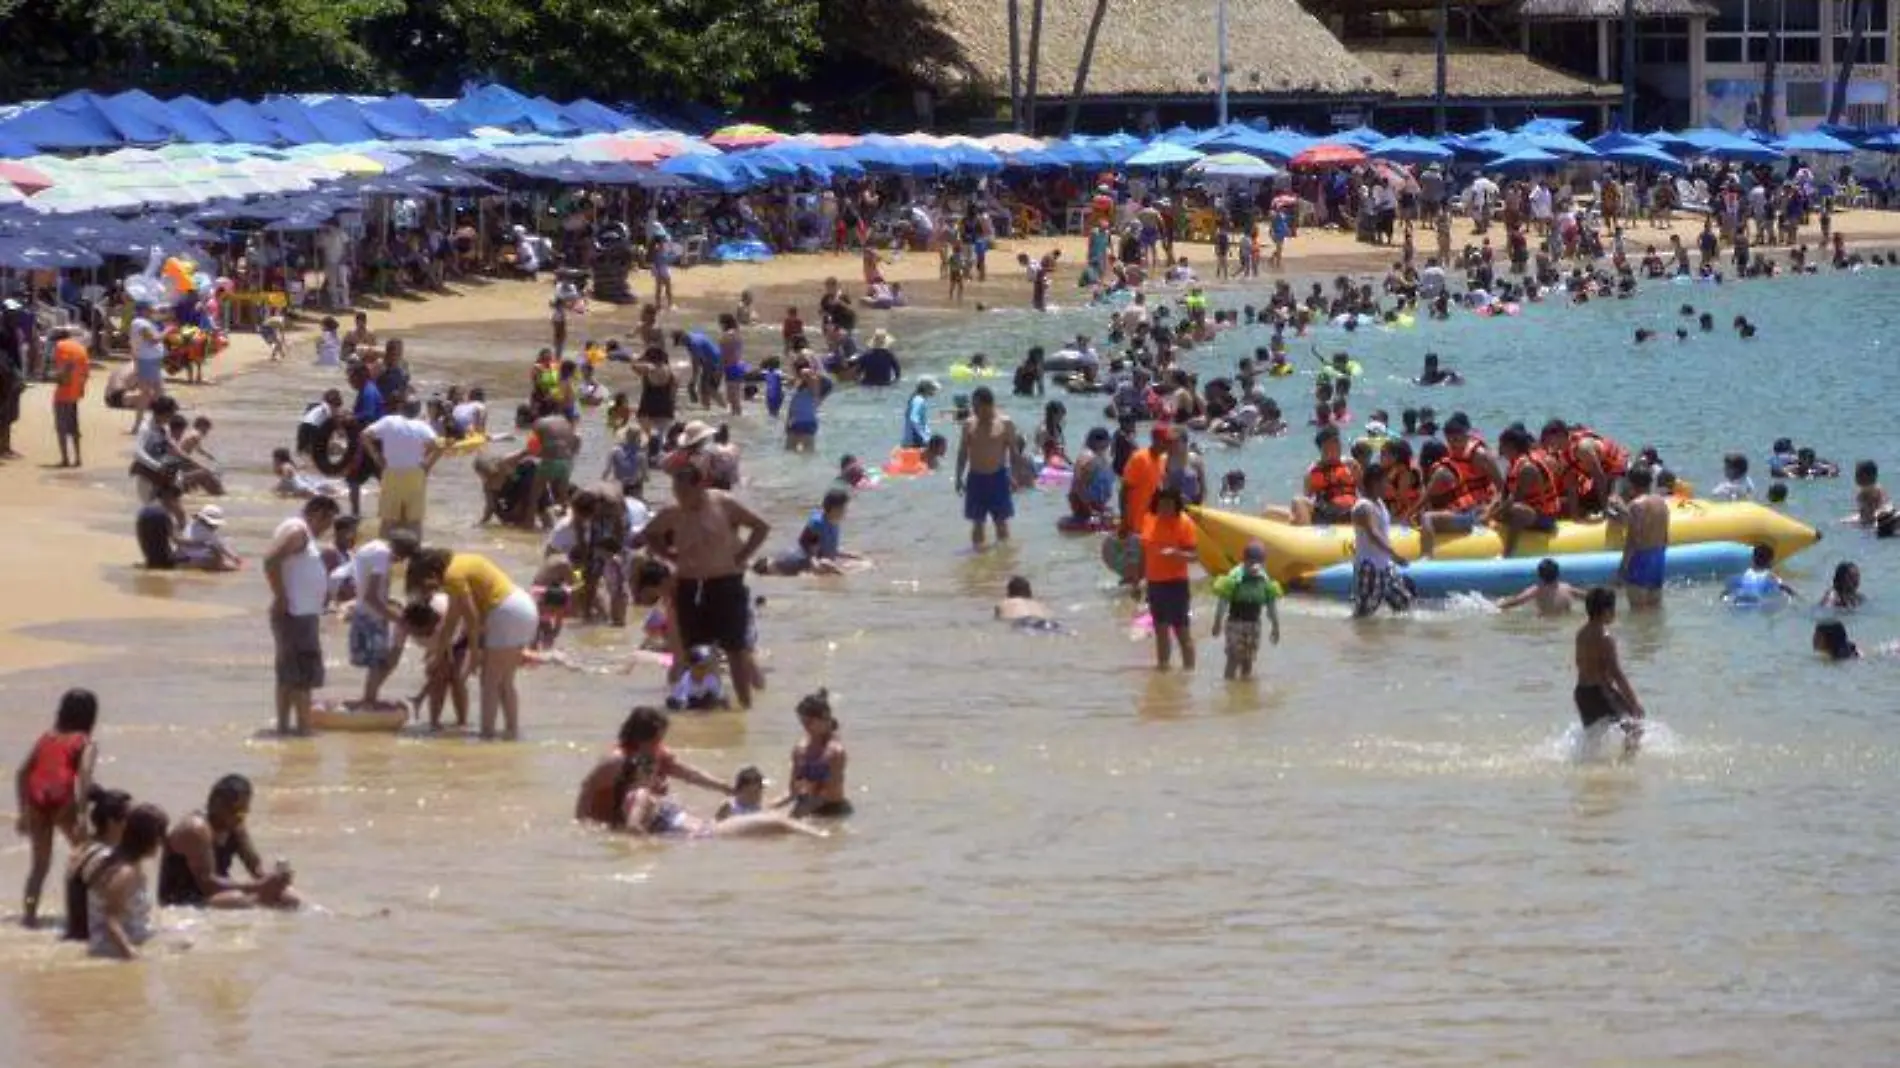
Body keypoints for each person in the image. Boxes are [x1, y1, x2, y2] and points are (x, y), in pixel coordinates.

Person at [642, 465, 771, 709]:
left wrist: (742, 556)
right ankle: (704, 700)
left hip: (725, 581)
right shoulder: (673, 512)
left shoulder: (723, 504)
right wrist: (669, 555)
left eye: (684, 490)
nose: (679, 495)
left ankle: (745, 705)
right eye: (675, 490)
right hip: (690, 584)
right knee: (696, 649)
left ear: (700, 486)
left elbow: (761, 526)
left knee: (735, 648)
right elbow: (650, 533)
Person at [407, 547, 537, 739]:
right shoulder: (462, 562)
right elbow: (451, 621)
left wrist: (475, 653)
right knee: (505, 682)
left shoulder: (452, 576)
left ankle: (487, 735)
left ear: (432, 571)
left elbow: (472, 619)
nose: (429, 586)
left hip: (505, 611)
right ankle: (511, 731)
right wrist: (438, 654)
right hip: (523, 607)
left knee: (490, 681)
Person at [14, 688, 99, 927]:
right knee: (87, 857)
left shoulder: (46, 738)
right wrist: (82, 814)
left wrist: (22, 812)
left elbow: (22, 773)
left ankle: (29, 918)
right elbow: (83, 777)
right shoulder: (86, 742)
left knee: (39, 866)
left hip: (36, 800)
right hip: (64, 800)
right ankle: (88, 913)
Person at [157, 774, 299, 910]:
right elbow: (207, 883)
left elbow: (256, 868)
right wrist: (259, 887)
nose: (240, 817)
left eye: (244, 812)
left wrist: (276, 880)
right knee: (238, 899)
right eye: (235, 811)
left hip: (218, 894)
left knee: (289, 897)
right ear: (217, 804)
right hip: (184, 899)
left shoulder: (235, 826)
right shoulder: (196, 829)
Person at [264, 497, 340, 734]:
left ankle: (285, 728)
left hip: (299, 613)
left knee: (288, 675)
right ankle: (303, 730)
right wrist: (281, 597)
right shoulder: (299, 531)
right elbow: (270, 560)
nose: (327, 529)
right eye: (328, 522)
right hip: (296, 613)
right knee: (302, 677)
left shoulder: (297, 530)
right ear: (318, 514)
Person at [83, 803, 168, 960]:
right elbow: (110, 919)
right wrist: (130, 954)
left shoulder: (115, 858)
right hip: (113, 948)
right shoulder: (125, 873)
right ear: (149, 839)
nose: (162, 844)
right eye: (160, 837)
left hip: (133, 937)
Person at [349, 529, 418, 709]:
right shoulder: (382, 555)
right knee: (379, 662)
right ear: (400, 551)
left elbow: (365, 587)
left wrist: (389, 602)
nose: (399, 562)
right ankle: (369, 701)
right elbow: (371, 596)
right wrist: (397, 619)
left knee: (378, 661)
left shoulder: (373, 547)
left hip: (364, 611)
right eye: (402, 558)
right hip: (371, 615)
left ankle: (369, 698)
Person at [1574, 587, 1645, 756]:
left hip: (1582, 693)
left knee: (1593, 737)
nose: (1615, 613)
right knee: (1635, 728)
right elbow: (1616, 673)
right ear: (1606, 611)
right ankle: (1626, 768)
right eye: (1613, 609)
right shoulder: (1605, 637)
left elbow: (1579, 663)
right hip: (1600, 692)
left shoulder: (1581, 634)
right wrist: (1634, 701)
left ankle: (1591, 770)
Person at [360, 398, 442, 539]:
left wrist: (376, 456)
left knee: (388, 520)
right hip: (415, 474)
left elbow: (364, 435)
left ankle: (385, 553)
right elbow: (439, 447)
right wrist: (427, 465)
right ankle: (414, 554)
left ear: (401, 407)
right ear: (417, 411)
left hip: (392, 473)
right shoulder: (421, 426)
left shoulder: (389, 421)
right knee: (414, 521)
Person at [954, 387, 1022, 548]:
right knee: (977, 523)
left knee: (1001, 522)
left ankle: (1003, 557)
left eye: (977, 407)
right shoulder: (969, 424)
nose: (974, 410)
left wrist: (1015, 476)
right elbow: (962, 453)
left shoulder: (1005, 423)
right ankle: (978, 558)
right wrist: (958, 478)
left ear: (989, 405)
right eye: (973, 406)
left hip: (998, 478)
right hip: (976, 479)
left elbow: (1014, 453)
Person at [62, 786, 131, 943]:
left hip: (78, 937)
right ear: (112, 822)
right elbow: (110, 914)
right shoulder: (106, 858)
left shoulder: (84, 849)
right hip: (93, 941)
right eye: (129, 818)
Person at [1142, 487, 1199, 671]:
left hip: (1176, 583)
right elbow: (1144, 552)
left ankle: (1189, 671)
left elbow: (1195, 556)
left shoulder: (1185, 523)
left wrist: (1176, 553)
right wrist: (1136, 579)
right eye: (1161, 504)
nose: (1165, 508)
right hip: (1154, 583)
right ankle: (1163, 669)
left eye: (1169, 505)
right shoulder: (1149, 519)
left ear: (1176, 506)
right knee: (1160, 630)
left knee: (1182, 631)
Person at [1210, 541, 1282, 681]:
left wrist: (1275, 626)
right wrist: (1217, 622)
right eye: (1251, 562)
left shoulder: (1263, 578)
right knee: (1233, 658)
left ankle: (1245, 691)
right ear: (1244, 561)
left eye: (1259, 562)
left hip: (1254, 624)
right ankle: (1229, 688)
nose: (1255, 566)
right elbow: (1223, 602)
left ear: (1263, 563)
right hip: (1236, 623)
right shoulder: (1235, 576)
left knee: (1248, 660)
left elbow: (1271, 605)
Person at [1351, 463, 1413, 617]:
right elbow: (1373, 533)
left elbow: (1383, 527)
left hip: (1385, 566)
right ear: (1374, 483)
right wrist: (1394, 555)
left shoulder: (1379, 503)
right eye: (1385, 481)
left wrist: (1405, 520)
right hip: (1369, 567)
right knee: (1364, 613)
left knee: (1403, 602)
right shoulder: (1363, 507)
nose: (1388, 486)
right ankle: (1358, 639)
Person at [777, 690, 851, 818]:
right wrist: (769, 808)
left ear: (825, 719)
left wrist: (794, 816)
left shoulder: (835, 753)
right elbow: (793, 791)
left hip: (832, 812)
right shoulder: (799, 750)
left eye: (809, 723)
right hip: (805, 806)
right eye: (803, 723)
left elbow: (829, 793)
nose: (805, 727)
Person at [1494, 425, 1564, 557]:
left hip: (1545, 517)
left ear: (1510, 446)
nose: (1499, 449)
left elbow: (1515, 499)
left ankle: (1508, 553)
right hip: (1532, 512)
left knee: (1517, 510)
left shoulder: (1527, 468)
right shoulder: (1514, 463)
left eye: (1501, 445)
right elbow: (1503, 493)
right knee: (1491, 506)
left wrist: (1494, 516)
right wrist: (1489, 512)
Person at [1618, 466, 1669, 609]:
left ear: (1630, 483)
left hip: (1641, 558)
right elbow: (1665, 536)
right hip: (1659, 557)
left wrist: (1623, 567)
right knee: (1655, 608)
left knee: (1637, 610)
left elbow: (1633, 539)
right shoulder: (1661, 502)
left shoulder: (1636, 505)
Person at [1120, 425, 1168, 538]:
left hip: (1147, 525)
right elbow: (1123, 491)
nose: (1168, 445)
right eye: (1165, 441)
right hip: (1132, 524)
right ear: (1155, 440)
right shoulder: (1139, 458)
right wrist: (1124, 520)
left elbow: (1156, 490)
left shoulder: (1162, 460)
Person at [51, 328, 89, 467]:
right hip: (75, 393)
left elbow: (67, 365)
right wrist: (80, 390)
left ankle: (65, 459)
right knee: (74, 427)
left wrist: (57, 377)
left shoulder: (60, 347)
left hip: (63, 393)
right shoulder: (80, 348)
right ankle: (78, 458)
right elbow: (85, 372)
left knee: (61, 428)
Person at [1498, 558, 1583, 615]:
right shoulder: (1567, 588)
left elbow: (1518, 600)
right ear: (1558, 574)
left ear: (1539, 576)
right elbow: (1587, 597)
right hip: (1565, 621)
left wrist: (1500, 606)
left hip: (1546, 621)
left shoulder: (1537, 590)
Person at [1726, 544, 1799, 604]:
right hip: (1758, 605)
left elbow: (1727, 592)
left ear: (1752, 559)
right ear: (1771, 561)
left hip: (1738, 602)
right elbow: (1787, 590)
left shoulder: (1743, 575)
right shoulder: (1771, 577)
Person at [136, 483, 186, 569]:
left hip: (150, 560)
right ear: (169, 496)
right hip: (163, 563)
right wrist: (202, 543)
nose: (177, 502)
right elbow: (177, 540)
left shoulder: (144, 511)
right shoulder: (162, 513)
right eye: (176, 499)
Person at [178, 504, 242, 571]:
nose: (216, 527)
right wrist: (236, 559)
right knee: (217, 552)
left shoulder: (192, 524)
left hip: (182, 555)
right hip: (195, 559)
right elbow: (221, 546)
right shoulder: (206, 533)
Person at [666, 646, 730, 710]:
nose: (703, 671)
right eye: (699, 668)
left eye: (705, 668)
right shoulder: (685, 681)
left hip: (704, 697)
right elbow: (682, 702)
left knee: (713, 699)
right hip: (689, 700)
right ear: (691, 668)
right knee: (672, 702)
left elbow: (720, 695)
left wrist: (724, 703)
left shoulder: (709, 678)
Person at [903, 376, 939, 449]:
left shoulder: (917, 399)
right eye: (933, 388)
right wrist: (923, 437)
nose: (935, 391)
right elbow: (913, 419)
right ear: (927, 389)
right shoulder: (919, 401)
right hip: (916, 442)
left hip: (913, 440)